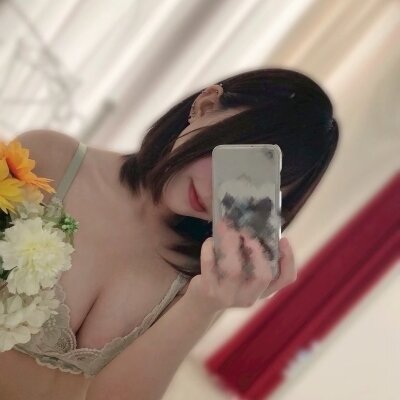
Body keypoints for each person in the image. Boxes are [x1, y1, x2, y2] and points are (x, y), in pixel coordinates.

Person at [0, 68, 338, 400]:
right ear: (206, 106)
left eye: (246, 191)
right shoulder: (52, 160)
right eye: (233, 165)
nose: (215, 196)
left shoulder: (204, 273)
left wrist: (204, 303)